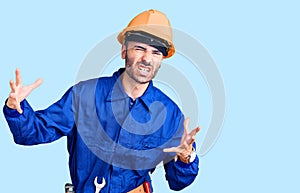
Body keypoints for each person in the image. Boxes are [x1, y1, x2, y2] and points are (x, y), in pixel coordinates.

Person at [3, 9, 200, 193]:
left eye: (156, 52)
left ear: (162, 59)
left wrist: (186, 157)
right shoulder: (84, 95)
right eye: (140, 49)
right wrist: (16, 109)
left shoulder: (170, 115)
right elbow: (32, 133)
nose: (147, 59)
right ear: (124, 51)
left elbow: (178, 182)